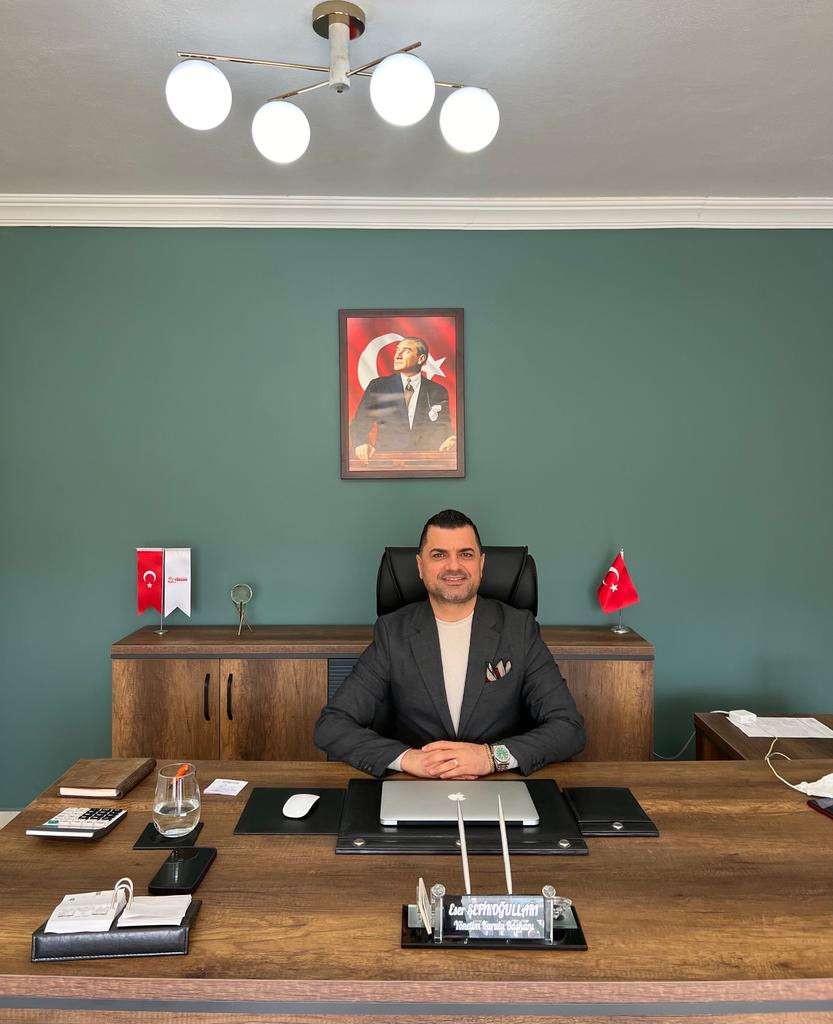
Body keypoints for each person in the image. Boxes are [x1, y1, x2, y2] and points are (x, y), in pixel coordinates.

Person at [314, 510, 586, 779]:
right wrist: (409, 759)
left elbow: (569, 727)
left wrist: (490, 758)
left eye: (466, 554)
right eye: (439, 555)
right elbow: (332, 725)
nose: (454, 566)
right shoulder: (392, 632)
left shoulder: (519, 629)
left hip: (498, 781)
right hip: (416, 783)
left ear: (481, 563)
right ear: (420, 566)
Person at [349, 337, 456, 462]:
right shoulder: (378, 386)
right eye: (397, 350)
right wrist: (361, 443)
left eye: (406, 350)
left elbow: (442, 427)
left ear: (421, 359)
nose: (397, 355)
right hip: (387, 462)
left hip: (425, 463)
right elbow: (359, 423)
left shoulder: (438, 391)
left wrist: (449, 440)